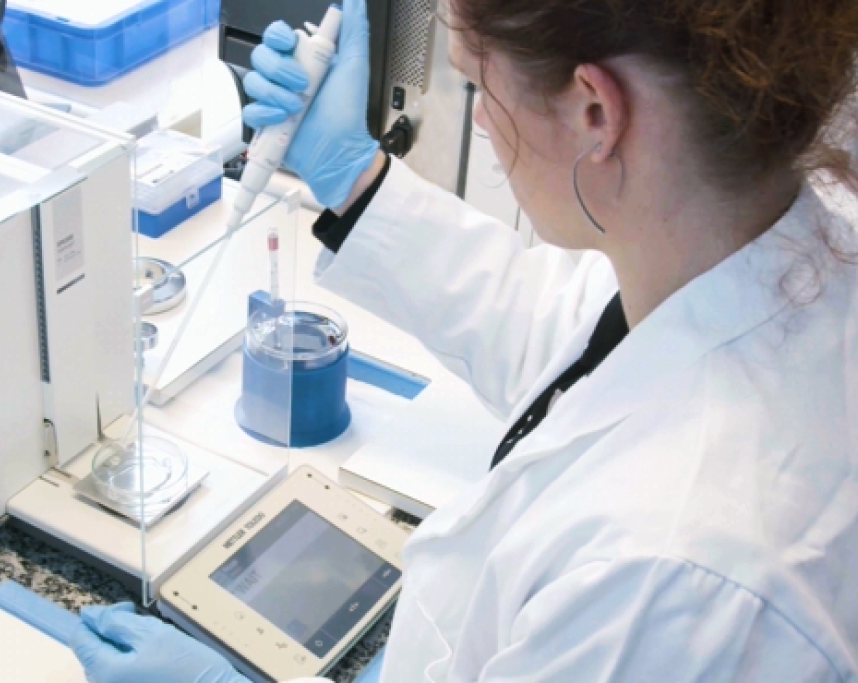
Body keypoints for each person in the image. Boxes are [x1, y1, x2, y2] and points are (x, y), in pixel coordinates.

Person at [71, 0, 858, 679]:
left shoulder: (666, 583)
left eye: (480, 84)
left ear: (595, 111)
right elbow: (570, 339)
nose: (480, 118)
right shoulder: (770, 236)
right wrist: (352, 178)